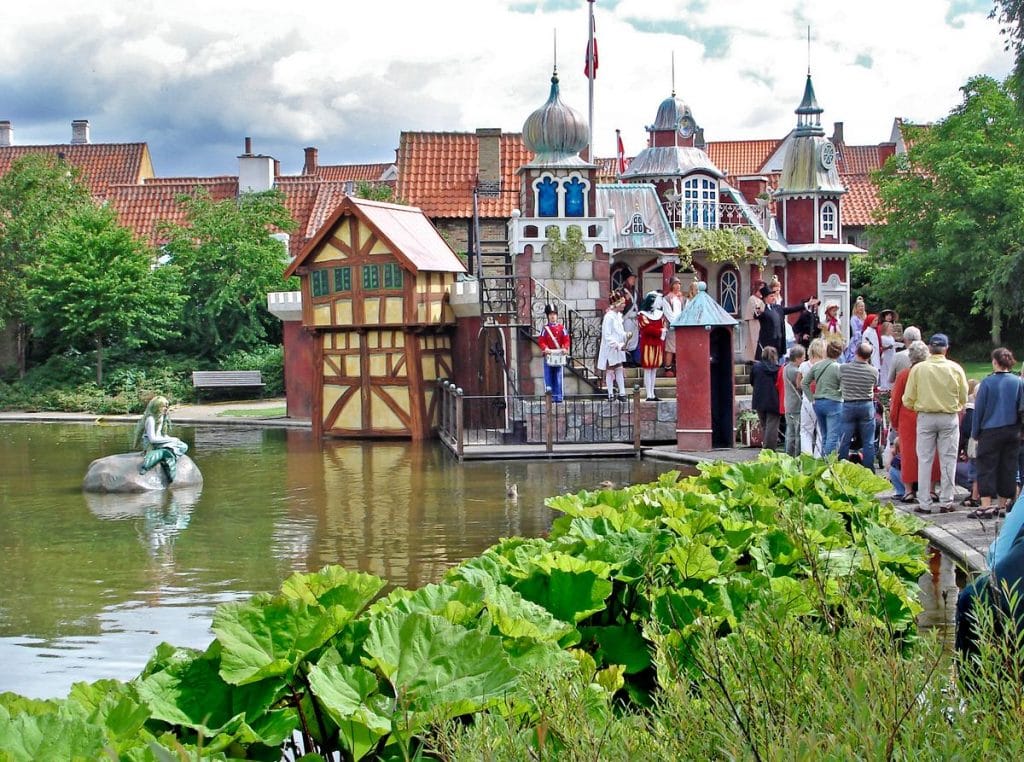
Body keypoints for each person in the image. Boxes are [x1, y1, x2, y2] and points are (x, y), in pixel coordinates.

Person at [902, 333, 969, 514]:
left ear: (930, 349)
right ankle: (946, 501)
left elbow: (907, 398)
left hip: (925, 416)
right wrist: (957, 405)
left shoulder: (918, 369)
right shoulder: (955, 368)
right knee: (948, 459)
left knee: (924, 459)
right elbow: (964, 394)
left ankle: (925, 502)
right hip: (948, 416)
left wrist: (918, 406)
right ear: (946, 348)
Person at [968, 348, 1023, 518]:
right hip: (1012, 431)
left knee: (986, 467)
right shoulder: (1018, 382)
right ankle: (1001, 504)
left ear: (995, 362)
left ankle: (986, 506)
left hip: (990, 431)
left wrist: (975, 433)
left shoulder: (987, 383)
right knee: (1008, 467)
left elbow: (979, 411)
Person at [889, 341, 938, 505]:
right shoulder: (932, 372)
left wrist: (894, 420)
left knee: (908, 453)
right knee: (932, 452)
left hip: (908, 417)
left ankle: (909, 491)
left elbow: (896, 399)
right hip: (929, 413)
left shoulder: (904, 374)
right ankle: (931, 489)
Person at [838, 342, 879, 469]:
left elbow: (839, 381)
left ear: (856, 352)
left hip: (848, 405)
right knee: (868, 441)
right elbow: (875, 385)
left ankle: (842, 467)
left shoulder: (844, 368)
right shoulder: (873, 371)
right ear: (869, 356)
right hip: (866, 405)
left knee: (845, 439)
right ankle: (869, 469)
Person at [803, 339, 844, 456]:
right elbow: (843, 386)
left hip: (818, 402)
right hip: (834, 402)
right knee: (832, 436)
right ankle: (828, 465)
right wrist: (842, 395)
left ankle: (822, 463)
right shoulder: (838, 367)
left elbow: (804, 383)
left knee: (824, 435)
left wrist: (811, 398)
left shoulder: (817, 366)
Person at [134, 395, 189, 481]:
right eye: (163, 406)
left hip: (160, 441)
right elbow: (153, 439)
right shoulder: (150, 419)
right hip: (151, 444)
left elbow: (162, 435)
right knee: (175, 446)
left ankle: (167, 454)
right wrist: (172, 440)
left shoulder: (161, 417)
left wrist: (172, 439)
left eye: (167, 406)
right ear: (156, 407)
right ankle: (162, 455)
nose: (166, 408)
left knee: (184, 446)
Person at [754, 284, 809, 360]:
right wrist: (761, 307)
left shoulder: (777, 308)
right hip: (768, 343)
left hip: (779, 342)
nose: (773, 298)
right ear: (765, 298)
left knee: (779, 362)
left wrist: (806, 305)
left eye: (773, 296)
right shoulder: (763, 309)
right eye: (771, 296)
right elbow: (757, 315)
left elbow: (791, 309)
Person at [796, 337, 826, 456]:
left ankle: (806, 459)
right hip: (822, 400)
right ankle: (818, 459)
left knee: (805, 431)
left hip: (807, 401)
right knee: (821, 432)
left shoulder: (803, 365)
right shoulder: (826, 365)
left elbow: (798, 384)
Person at [597, 291, 628, 402]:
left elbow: (620, 332)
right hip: (610, 348)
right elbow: (607, 335)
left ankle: (622, 392)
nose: (624, 305)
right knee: (611, 369)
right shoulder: (609, 317)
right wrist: (617, 345)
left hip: (619, 347)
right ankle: (610, 393)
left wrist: (625, 337)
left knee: (619, 367)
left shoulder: (618, 316)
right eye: (622, 303)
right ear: (617, 304)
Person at [637, 291, 667, 401]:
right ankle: (648, 394)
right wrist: (660, 331)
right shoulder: (642, 315)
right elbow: (646, 329)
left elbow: (663, 324)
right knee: (648, 369)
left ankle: (652, 393)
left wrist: (661, 331)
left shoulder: (660, 314)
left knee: (654, 370)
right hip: (647, 345)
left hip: (657, 344)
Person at [538, 303, 570, 403]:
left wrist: (565, 348)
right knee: (548, 376)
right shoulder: (545, 329)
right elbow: (541, 340)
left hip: (558, 355)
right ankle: (550, 396)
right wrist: (545, 348)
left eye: (554, 314)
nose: (553, 316)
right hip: (549, 355)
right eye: (551, 314)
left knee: (558, 376)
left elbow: (566, 340)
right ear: (548, 316)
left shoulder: (561, 328)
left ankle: (558, 396)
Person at [751, 346, 782, 450]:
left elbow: (752, 381)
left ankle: (766, 447)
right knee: (772, 426)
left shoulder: (756, 367)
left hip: (759, 399)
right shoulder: (778, 369)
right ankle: (769, 449)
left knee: (764, 425)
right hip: (774, 399)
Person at [782, 345, 805, 457]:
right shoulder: (796, 371)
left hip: (788, 404)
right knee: (797, 434)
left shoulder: (785, 368)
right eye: (803, 357)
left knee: (789, 432)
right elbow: (801, 386)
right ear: (797, 358)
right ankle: (795, 455)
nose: (804, 359)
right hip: (797, 405)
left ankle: (787, 455)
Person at [661, 278, 684, 377]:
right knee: (670, 348)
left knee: (680, 348)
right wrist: (675, 323)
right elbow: (668, 313)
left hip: (681, 326)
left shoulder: (681, 298)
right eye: (676, 284)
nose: (678, 286)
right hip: (672, 326)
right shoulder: (666, 298)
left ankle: (679, 366)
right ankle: (668, 367)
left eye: (679, 284)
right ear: (672, 285)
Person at [619, 267, 640, 365]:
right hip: (626, 319)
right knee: (626, 339)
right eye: (631, 278)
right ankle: (626, 360)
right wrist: (625, 300)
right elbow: (618, 306)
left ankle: (634, 359)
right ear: (626, 279)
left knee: (634, 340)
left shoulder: (635, 292)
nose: (633, 280)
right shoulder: (621, 292)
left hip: (635, 319)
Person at [742, 280, 766, 363]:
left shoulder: (762, 299)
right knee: (755, 341)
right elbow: (755, 312)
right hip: (755, 322)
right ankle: (755, 358)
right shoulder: (752, 299)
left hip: (762, 322)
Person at [844, 296, 867, 362]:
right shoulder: (854, 318)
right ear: (856, 308)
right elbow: (855, 331)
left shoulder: (865, 317)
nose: (861, 308)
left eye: (862, 306)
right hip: (856, 340)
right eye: (860, 306)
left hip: (864, 338)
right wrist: (862, 333)